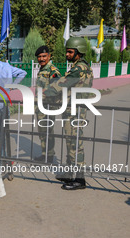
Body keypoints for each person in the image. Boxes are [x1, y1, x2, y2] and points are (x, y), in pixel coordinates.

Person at [44, 37, 93, 190]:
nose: (67, 54)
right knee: (71, 142)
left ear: (79, 52)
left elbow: (60, 85)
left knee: (75, 143)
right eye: (67, 51)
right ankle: (69, 174)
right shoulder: (83, 67)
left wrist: (45, 92)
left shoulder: (78, 69)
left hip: (75, 111)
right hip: (73, 109)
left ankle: (79, 180)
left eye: (70, 51)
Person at [0, 41, 27, 149]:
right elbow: (23, 73)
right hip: (5, 105)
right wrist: (12, 85)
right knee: (2, 135)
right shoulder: (6, 65)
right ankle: (4, 160)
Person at [34, 45, 61, 163]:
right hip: (40, 106)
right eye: (39, 57)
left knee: (48, 130)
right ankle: (45, 153)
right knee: (42, 130)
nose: (41, 59)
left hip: (48, 106)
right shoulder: (42, 70)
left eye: (44, 56)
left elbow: (56, 89)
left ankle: (49, 155)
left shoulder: (53, 71)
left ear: (49, 56)